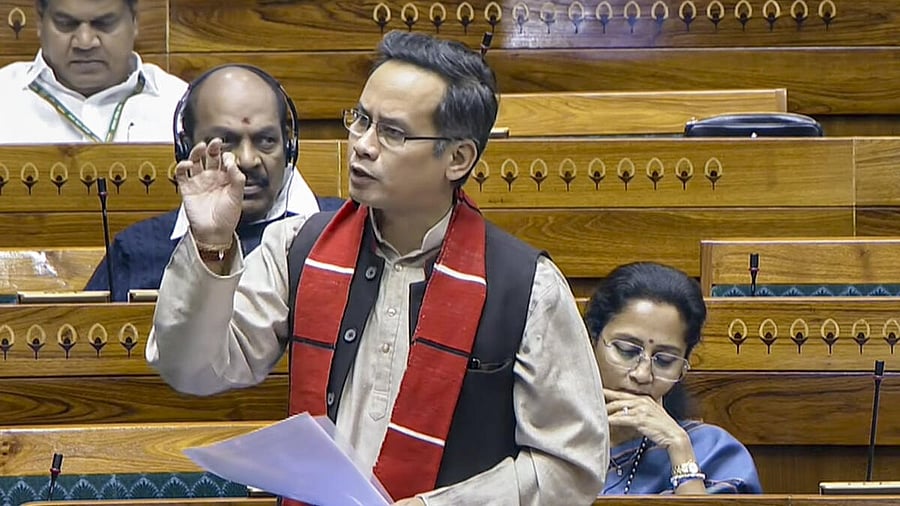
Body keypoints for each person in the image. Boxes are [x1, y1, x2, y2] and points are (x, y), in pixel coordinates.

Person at [146, 31, 607, 505]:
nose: (362, 145)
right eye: (361, 120)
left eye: (392, 132)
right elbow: (193, 371)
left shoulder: (526, 286)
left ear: (458, 158)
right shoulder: (298, 247)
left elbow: (570, 466)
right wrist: (212, 243)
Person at [85, 64, 342, 301]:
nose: (248, 159)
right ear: (186, 148)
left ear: (288, 145)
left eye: (266, 140)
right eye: (224, 142)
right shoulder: (136, 250)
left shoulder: (345, 230)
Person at [586, 262, 762, 495]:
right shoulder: (546, 437)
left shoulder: (713, 450)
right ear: (592, 341)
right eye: (627, 351)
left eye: (664, 360)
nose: (642, 374)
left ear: (683, 368)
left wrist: (679, 447)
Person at [0, 0, 186, 143]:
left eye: (104, 23)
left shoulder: (179, 106)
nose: (85, 42)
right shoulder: (5, 96)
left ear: (134, 20)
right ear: (40, 22)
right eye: (66, 23)